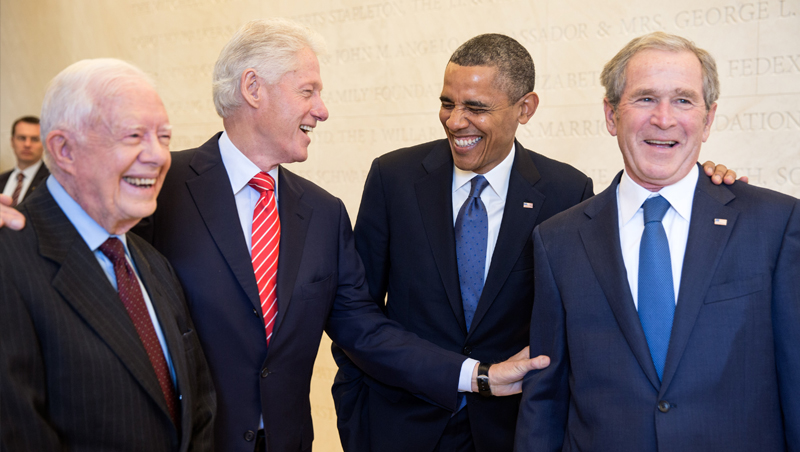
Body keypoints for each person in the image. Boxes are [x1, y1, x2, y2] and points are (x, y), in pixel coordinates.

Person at [127, 19, 543, 452]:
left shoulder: (323, 213)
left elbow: (363, 329)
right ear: (253, 88)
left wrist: (478, 376)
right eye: (308, 91)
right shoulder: (160, 188)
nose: (322, 110)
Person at [331, 33, 743, 452]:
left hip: (510, 433)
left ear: (525, 108)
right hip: (398, 427)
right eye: (447, 103)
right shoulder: (393, 177)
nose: (456, 121)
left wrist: (698, 184)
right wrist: (353, 409)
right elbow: (354, 313)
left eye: (476, 108)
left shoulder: (567, 192)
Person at [514, 32, 799, 452]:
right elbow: (545, 401)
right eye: (645, 98)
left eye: (683, 100)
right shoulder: (558, 241)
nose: (664, 119)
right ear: (611, 115)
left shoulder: (776, 225)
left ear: (708, 118)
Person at [0, 59, 216, 451]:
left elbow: (198, 408)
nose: (158, 156)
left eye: (164, 137)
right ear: (64, 149)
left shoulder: (153, 264)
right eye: (134, 135)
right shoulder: (8, 260)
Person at [1, 116, 49, 206]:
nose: (27, 144)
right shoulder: (1, 179)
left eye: (34, 139)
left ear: (44, 143)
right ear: (12, 141)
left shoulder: (51, 181)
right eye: (22, 138)